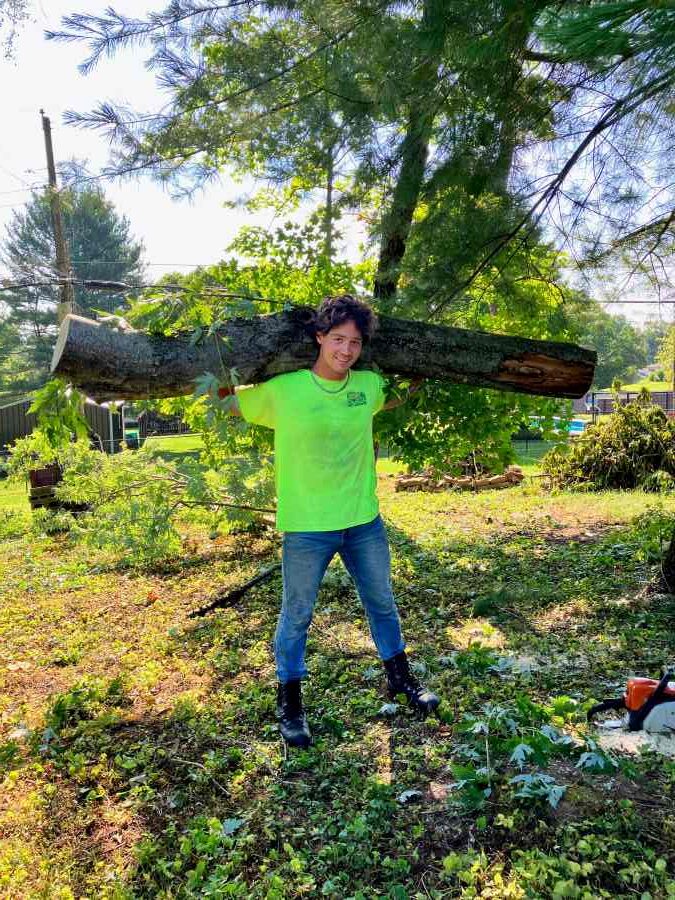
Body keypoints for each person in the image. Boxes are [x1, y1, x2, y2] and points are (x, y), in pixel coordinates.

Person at [228, 294, 440, 747]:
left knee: (382, 601)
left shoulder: (367, 386)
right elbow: (229, 403)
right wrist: (212, 377)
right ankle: (290, 702)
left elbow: (397, 396)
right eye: (338, 338)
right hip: (307, 526)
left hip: (363, 521)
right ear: (319, 337)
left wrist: (425, 374)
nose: (346, 350)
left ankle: (400, 680)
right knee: (297, 613)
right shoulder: (284, 391)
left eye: (355, 342)